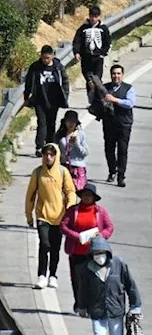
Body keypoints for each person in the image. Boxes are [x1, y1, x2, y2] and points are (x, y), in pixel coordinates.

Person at [26, 142, 76, 290]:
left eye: (51, 155)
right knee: (44, 244)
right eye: (46, 154)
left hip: (60, 216)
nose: (48, 157)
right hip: (43, 215)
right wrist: (29, 215)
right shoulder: (37, 172)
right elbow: (30, 195)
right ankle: (42, 275)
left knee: (55, 247)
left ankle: (53, 275)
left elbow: (70, 191)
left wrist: (70, 207)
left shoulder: (63, 172)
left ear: (56, 156)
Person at [61, 182, 114, 316]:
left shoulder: (100, 211)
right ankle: (79, 304)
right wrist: (76, 236)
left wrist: (100, 237)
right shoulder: (73, 210)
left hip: (93, 253)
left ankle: (91, 307)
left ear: (93, 198)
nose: (86, 198)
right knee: (77, 280)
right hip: (76, 252)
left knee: (93, 280)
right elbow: (63, 225)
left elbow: (109, 227)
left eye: (89, 196)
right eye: (84, 195)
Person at [24, 44, 69, 154]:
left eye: (48, 58)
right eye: (44, 57)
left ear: (53, 56)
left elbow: (65, 81)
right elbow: (29, 83)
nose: (45, 60)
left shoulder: (58, 67)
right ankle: (39, 147)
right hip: (39, 99)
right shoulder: (35, 67)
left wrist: (65, 96)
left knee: (51, 123)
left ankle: (50, 145)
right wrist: (27, 97)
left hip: (54, 100)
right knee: (42, 123)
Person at [97, 64, 134, 188]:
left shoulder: (129, 88)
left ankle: (121, 176)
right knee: (109, 149)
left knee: (122, 150)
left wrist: (115, 100)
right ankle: (112, 171)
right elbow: (94, 101)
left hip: (124, 124)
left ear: (122, 75)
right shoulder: (104, 88)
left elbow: (130, 103)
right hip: (109, 123)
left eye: (118, 74)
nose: (116, 76)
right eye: (114, 73)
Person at [72, 6, 112, 86]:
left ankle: (98, 96)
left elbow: (107, 42)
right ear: (89, 16)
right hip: (86, 57)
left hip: (98, 58)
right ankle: (91, 96)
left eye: (95, 16)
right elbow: (77, 41)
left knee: (97, 79)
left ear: (99, 16)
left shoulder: (103, 28)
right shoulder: (83, 28)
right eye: (92, 16)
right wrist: (77, 52)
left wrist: (103, 54)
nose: (93, 19)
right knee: (89, 80)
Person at [57, 110, 89, 191]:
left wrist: (76, 144)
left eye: (73, 122)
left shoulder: (81, 134)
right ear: (64, 122)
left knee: (76, 192)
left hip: (77, 168)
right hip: (63, 166)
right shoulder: (60, 134)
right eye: (68, 121)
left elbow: (85, 153)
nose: (71, 124)